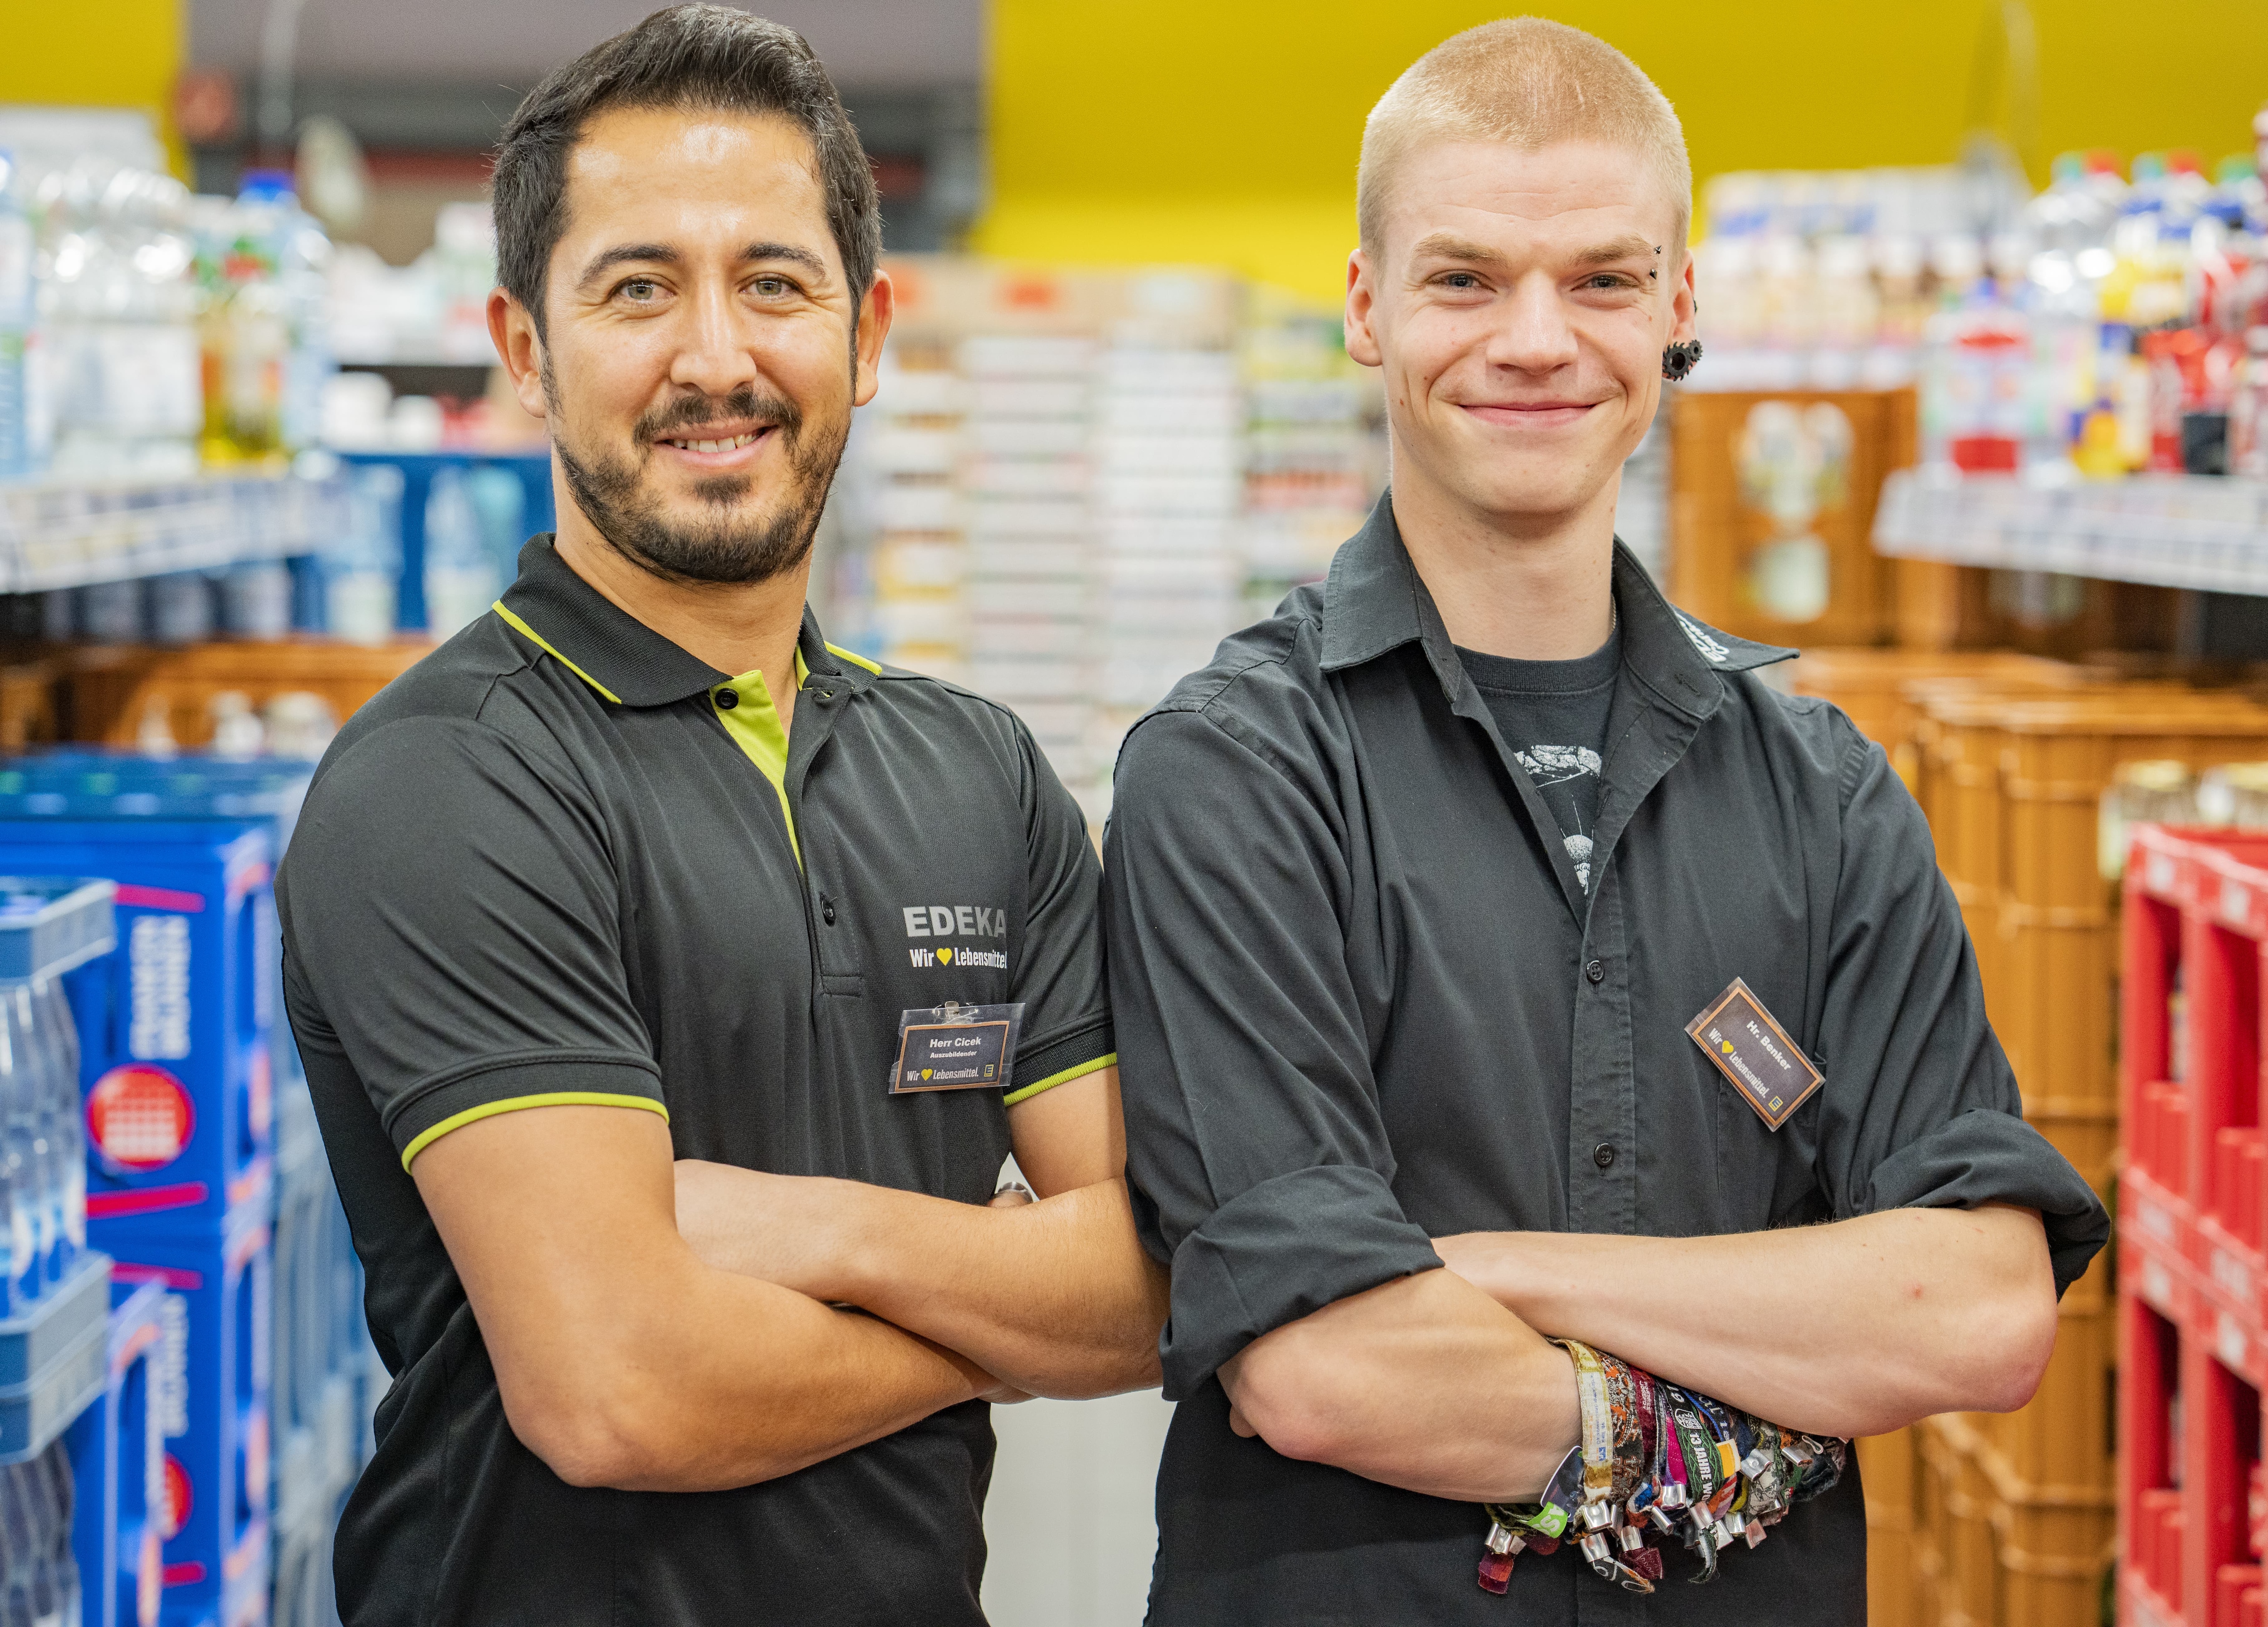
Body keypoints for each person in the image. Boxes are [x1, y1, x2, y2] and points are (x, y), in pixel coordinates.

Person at [1102, 19, 2109, 1624]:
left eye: (1602, 279)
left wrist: (1490, 1264)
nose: (1534, 338)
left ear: (1680, 306)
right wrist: (1760, 1406)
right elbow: (1325, 1367)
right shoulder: (1236, 772)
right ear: (1367, 307)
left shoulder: (1826, 792)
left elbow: (1979, 1313)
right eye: (1464, 279)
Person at [277, 10, 1164, 1624]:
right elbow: (622, 1390)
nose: (715, 357)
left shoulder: (978, 771)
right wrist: (991, 1299)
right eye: (637, 287)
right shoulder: (447, 784)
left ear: (870, 332)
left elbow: (1156, 1283)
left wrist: (779, 1223)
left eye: (774, 281)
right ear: (527, 346)